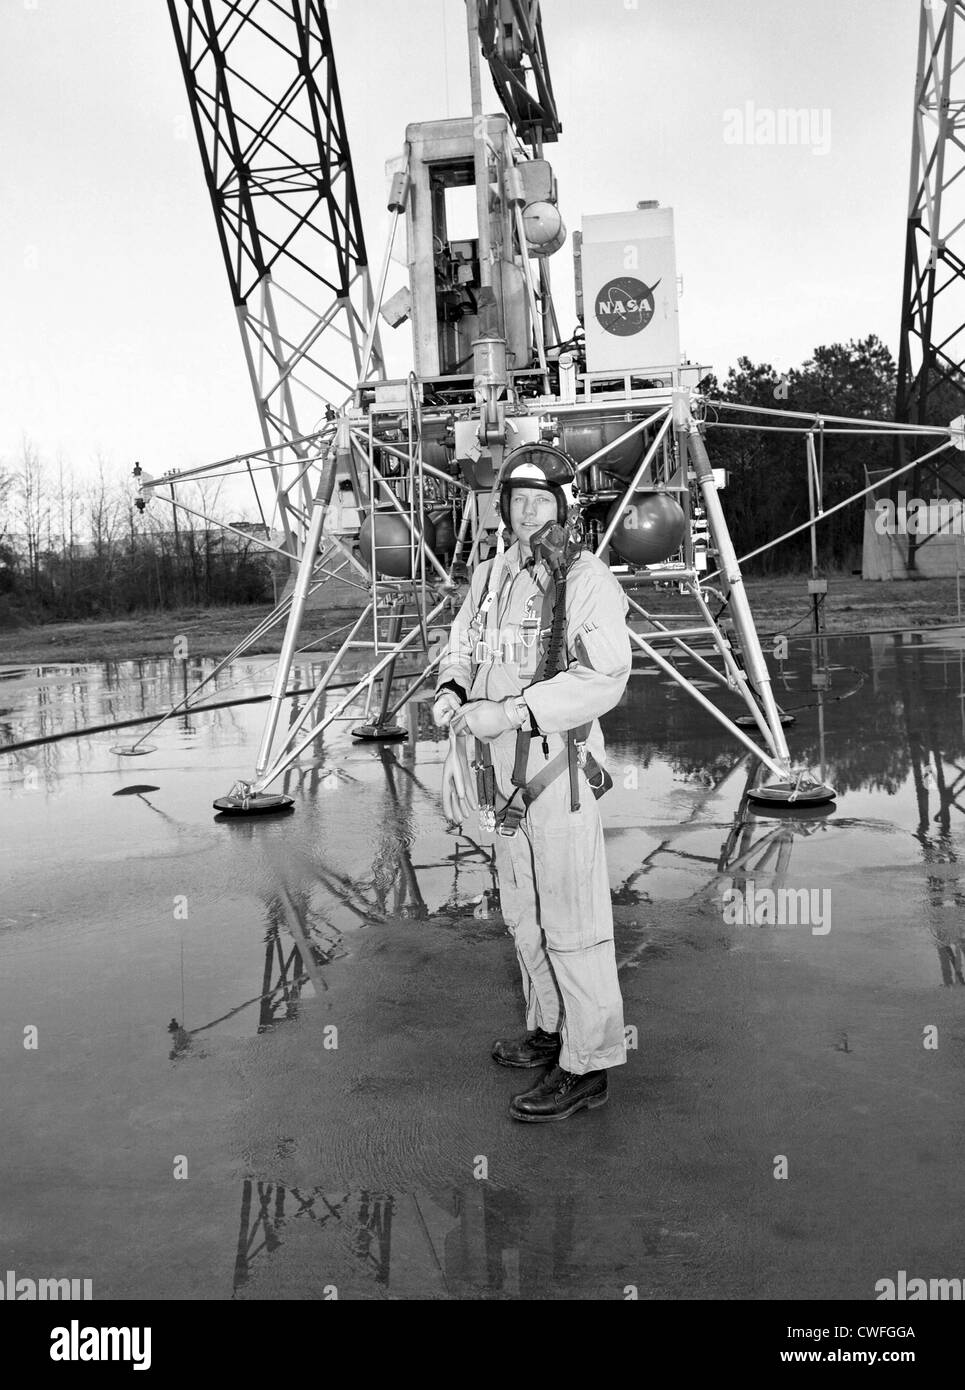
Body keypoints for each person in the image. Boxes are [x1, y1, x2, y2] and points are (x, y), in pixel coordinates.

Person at [433, 444, 632, 1122]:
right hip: (501, 779)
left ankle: (587, 1066)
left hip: (557, 773)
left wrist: (513, 711)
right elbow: (461, 643)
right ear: (503, 509)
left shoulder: (585, 579)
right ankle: (550, 1030)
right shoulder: (489, 576)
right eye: (517, 502)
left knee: (572, 923)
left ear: (563, 505)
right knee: (523, 916)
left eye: (541, 501)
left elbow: (603, 677)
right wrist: (451, 688)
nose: (527, 513)